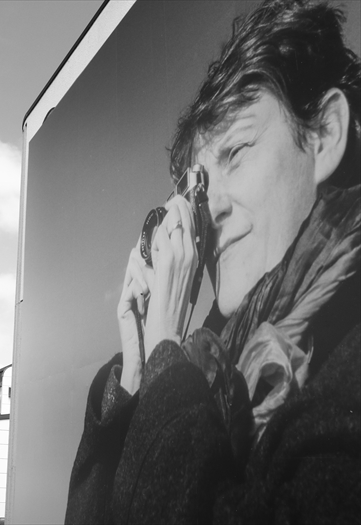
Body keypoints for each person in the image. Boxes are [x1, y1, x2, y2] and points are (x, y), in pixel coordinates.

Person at [65, 0, 360, 523]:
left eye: (237, 152)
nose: (213, 208)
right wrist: (138, 374)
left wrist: (166, 358)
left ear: (326, 134)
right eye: (200, 188)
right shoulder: (214, 363)